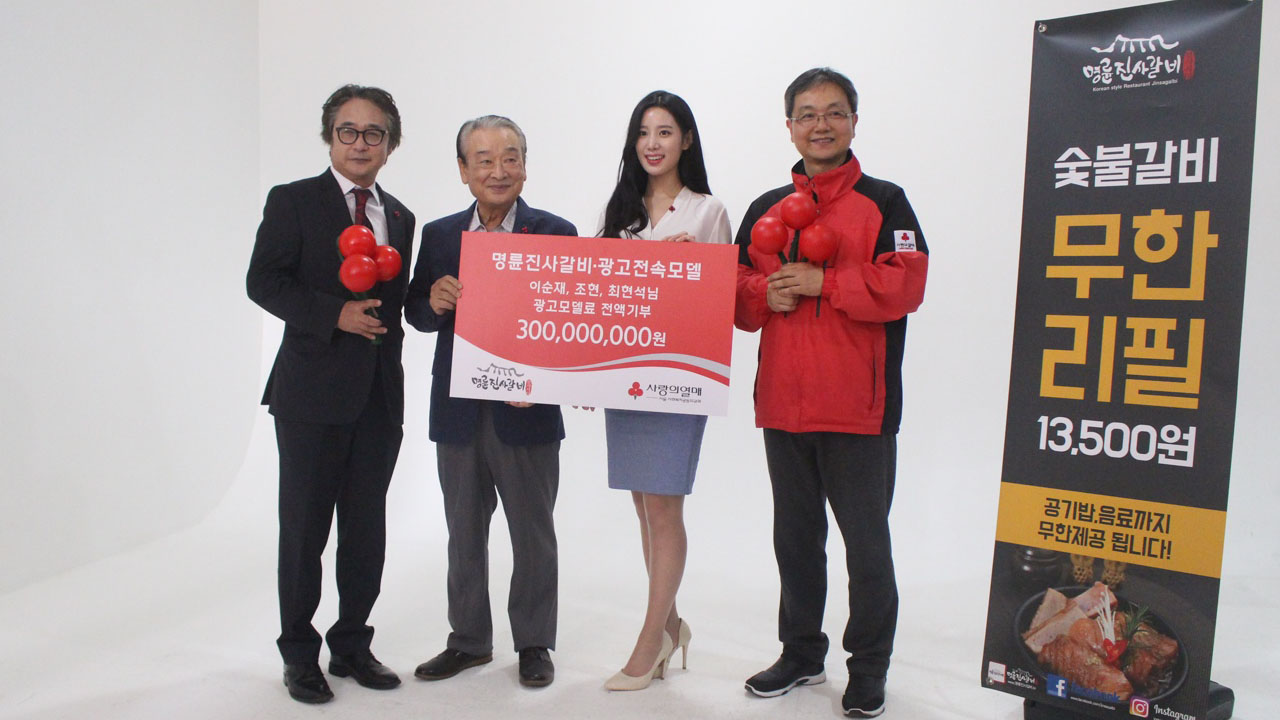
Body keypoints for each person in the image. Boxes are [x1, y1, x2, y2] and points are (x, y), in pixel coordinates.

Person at [734, 67, 929, 718]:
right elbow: (734, 296)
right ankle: (800, 654)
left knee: (867, 549)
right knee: (794, 541)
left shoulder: (886, 201)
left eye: (835, 112)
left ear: (853, 121)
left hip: (858, 409)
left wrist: (828, 284)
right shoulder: (765, 209)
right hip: (782, 404)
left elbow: (907, 285)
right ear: (790, 126)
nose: (822, 125)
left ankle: (868, 669)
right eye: (808, 114)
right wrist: (765, 294)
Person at [246, 84, 415, 704]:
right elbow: (263, 281)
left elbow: (399, 304)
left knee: (366, 530)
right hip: (310, 397)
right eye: (348, 131)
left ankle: (351, 645)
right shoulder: (293, 201)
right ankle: (299, 654)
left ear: (390, 144)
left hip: (378, 398)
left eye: (374, 133)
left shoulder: (401, 217)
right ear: (329, 137)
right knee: (304, 530)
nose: (360, 143)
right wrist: (333, 314)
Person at [404, 115, 576, 689]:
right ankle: (469, 641)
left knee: (533, 533)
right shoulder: (439, 235)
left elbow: (570, 323)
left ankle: (534, 643)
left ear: (525, 165)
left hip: (527, 410)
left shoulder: (556, 232)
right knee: (463, 532)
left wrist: (544, 383)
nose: (498, 170)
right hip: (458, 409)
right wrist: (432, 300)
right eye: (484, 159)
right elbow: (415, 312)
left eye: (510, 157)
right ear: (463, 170)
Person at [596, 90, 732, 691]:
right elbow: (598, 295)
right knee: (641, 504)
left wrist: (695, 264)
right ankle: (672, 624)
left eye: (666, 132)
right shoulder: (619, 211)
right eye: (643, 133)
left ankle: (650, 641)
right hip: (627, 376)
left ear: (687, 140)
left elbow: (723, 299)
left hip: (677, 378)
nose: (653, 144)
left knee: (664, 506)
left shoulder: (707, 211)